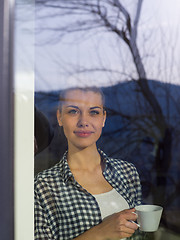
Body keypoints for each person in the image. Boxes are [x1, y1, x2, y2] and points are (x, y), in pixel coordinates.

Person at [34, 87, 142, 240]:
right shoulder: (43, 186)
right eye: (73, 111)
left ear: (103, 118)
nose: (84, 122)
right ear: (60, 117)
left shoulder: (128, 172)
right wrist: (100, 233)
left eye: (94, 112)